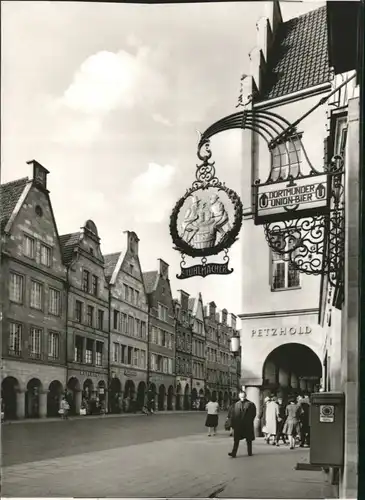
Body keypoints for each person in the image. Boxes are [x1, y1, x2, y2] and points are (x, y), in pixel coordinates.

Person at [228, 390, 256, 458]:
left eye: (243, 396)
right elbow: (233, 415)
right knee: (236, 440)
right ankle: (234, 453)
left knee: (248, 439)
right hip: (238, 425)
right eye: (241, 396)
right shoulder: (236, 404)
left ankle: (249, 452)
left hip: (247, 424)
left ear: (245, 396)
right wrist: (233, 425)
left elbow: (253, 414)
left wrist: (249, 421)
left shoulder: (251, 404)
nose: (242, 398)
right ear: (239, 396)